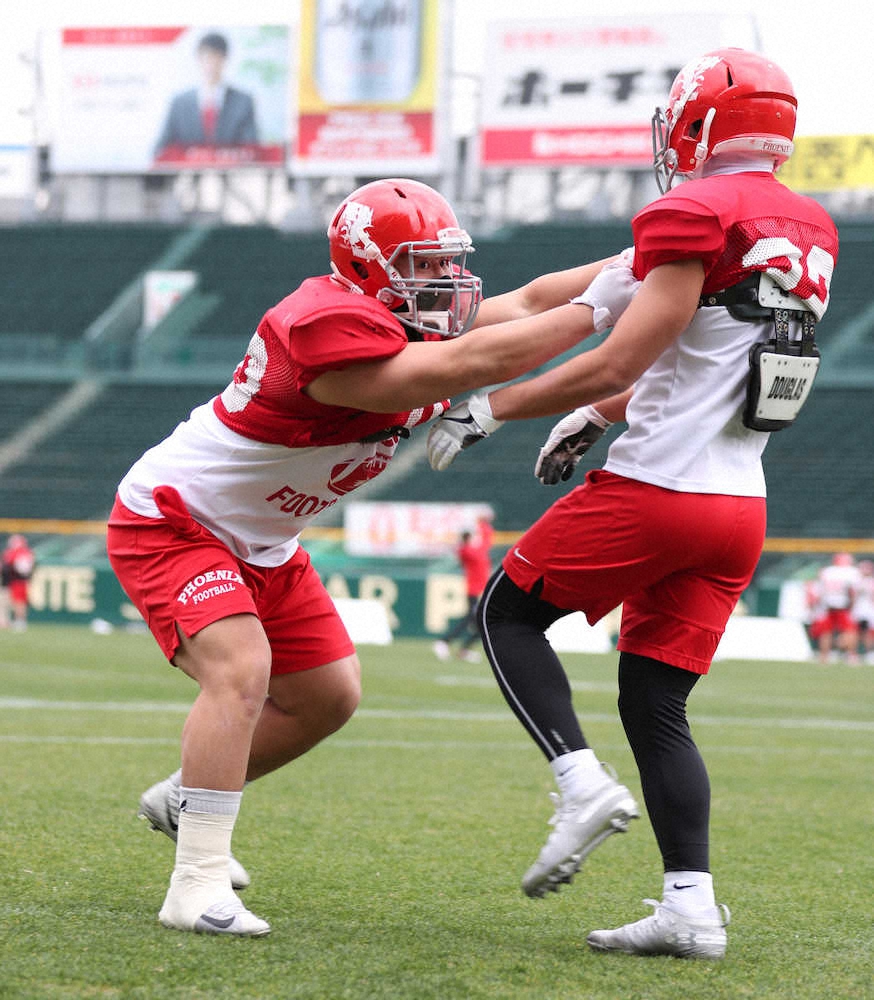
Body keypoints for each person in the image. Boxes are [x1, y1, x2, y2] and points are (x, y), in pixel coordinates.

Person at [106, 177, 642, 937]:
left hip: (264, 539)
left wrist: (641, 261)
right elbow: (464, 366)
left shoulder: (411, 320)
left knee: (328, 697)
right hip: (177, 519)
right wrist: (600, 310)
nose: (447, 279)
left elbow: (526, 302)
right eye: (425, 265)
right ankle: (194, 883)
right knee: (241, 669)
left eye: (449, 261)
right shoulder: (322, 327)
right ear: (368, 267)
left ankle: (184, 797)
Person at [426, 48, 839, 959]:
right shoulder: (805, 226)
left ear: (699, 124)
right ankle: (690, 906)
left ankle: (580, 786)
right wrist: (592, 414)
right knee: (655, 701)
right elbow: (708, 357)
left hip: (662, 488)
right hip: (739, 507)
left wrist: (489, 407)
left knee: (506, 614)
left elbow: (621, 357)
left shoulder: (695, 211)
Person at [155, 32, 258, 153]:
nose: (211, 64)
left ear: (225, 59)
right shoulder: (179, 103)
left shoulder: (243, 102)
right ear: (198, 59)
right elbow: (160, 150)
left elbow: (251, 149)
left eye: (216, 57)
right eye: (206, 57)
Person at [432, 513, 495, 663]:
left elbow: (486, 539)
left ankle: (461, 649)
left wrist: (483, 524)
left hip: (479, 591)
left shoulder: (471, 550)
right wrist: (483, 524)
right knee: (474, 620)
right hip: (475, 592)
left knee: (481, 623)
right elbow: (486, 539)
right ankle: (445, 642)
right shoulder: (469, 551)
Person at [810, 552, 861, 663]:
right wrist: (852, 606)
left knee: (826, 633)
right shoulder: (851, 572)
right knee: (850, 631)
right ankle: (849, 654)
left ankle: (824, 657)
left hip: (827, 605)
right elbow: (852, 592)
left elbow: (819, 591)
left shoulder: (827, 571)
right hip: (843, 606)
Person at [1, 534, 35, 631]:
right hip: (12, 581)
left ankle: (20, 621)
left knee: (19, 602)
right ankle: (9, 621)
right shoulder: (17, 552)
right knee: (11, 602)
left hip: (18, 581)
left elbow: (22, 569)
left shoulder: (21, 553)